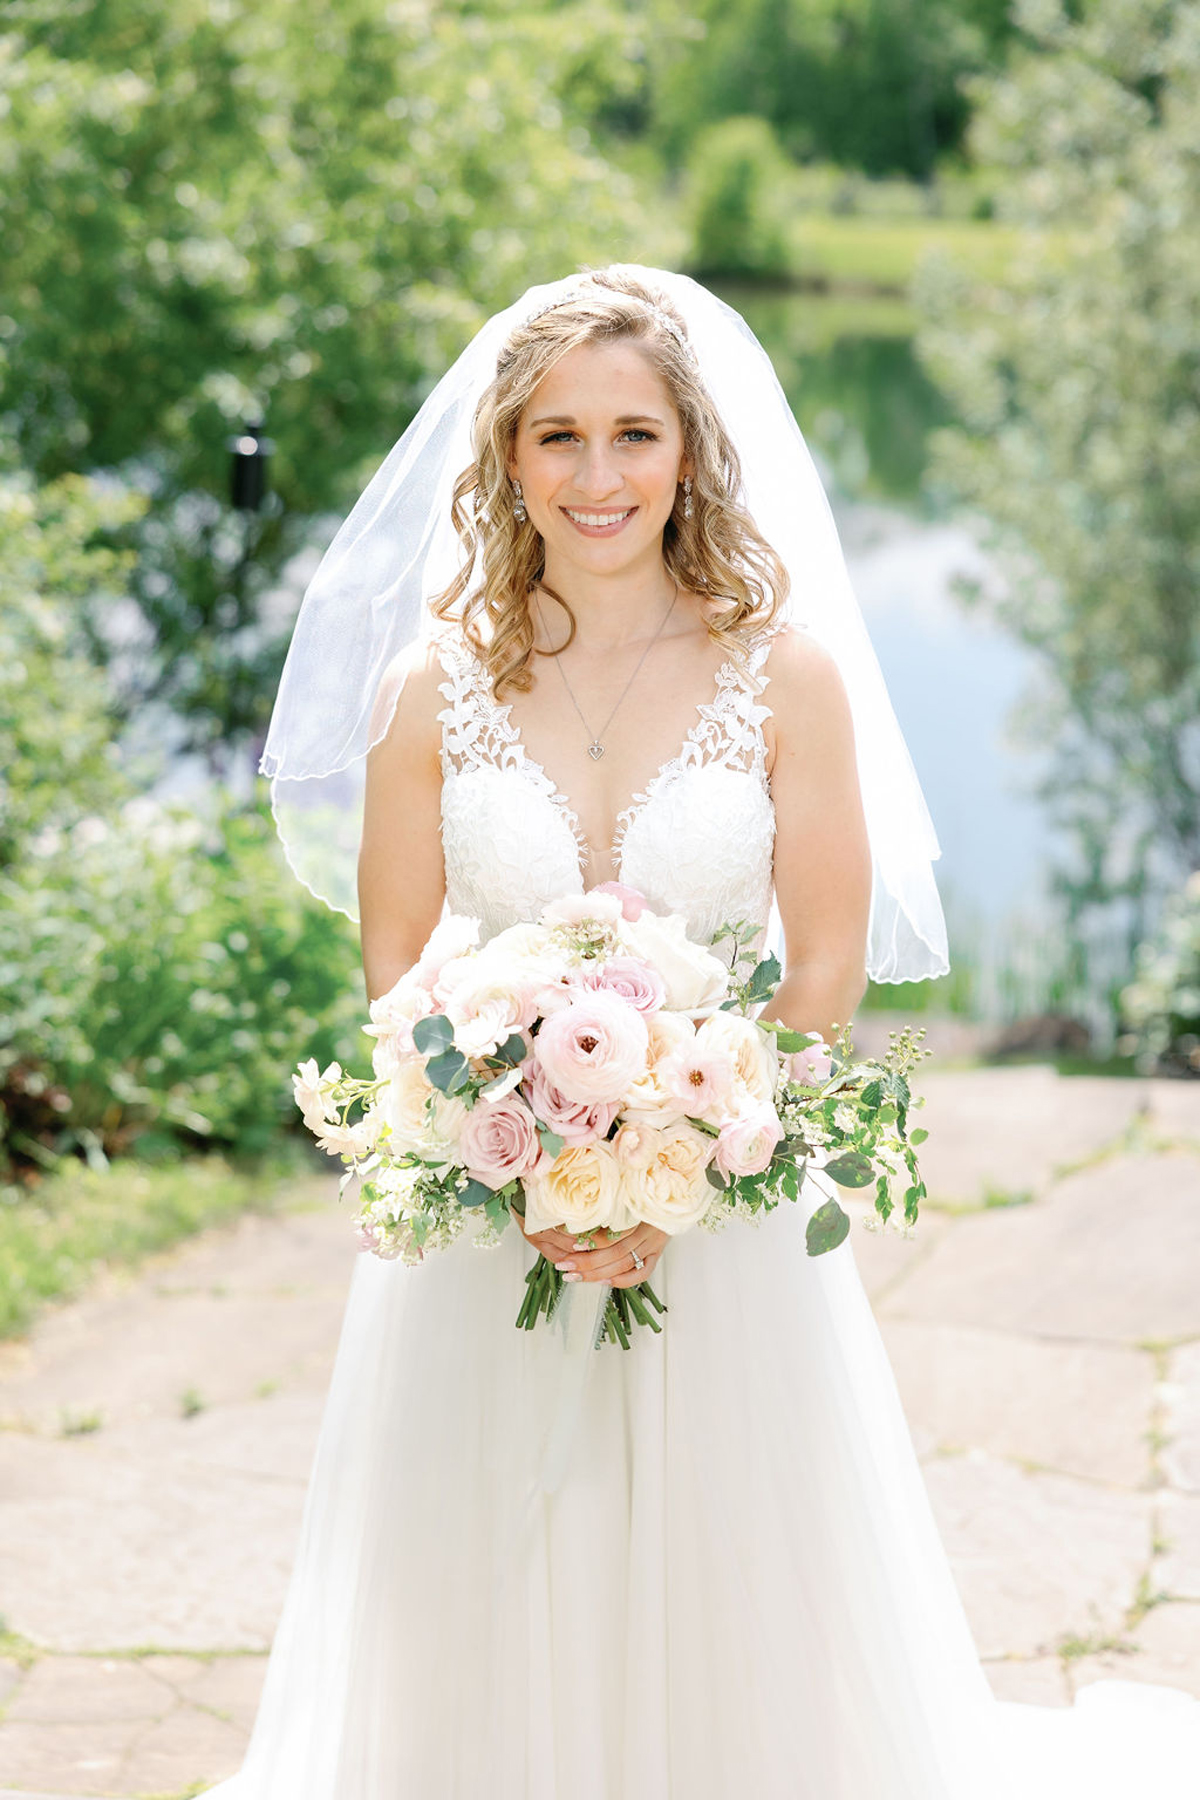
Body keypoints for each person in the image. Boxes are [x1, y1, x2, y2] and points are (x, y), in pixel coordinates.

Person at [204, 267, 1199, 1798]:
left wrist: (683, 1157)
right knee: (484, 1583)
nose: (598, 478)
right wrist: (523, 1163)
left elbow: (824, 969)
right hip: (492, 1225)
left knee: (739, 1585)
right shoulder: (432, 689)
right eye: (558, 438)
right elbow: (398, 967)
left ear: (690, 453)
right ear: (507, 458)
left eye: (633, 435)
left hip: (723, 1222)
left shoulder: (785, 674)